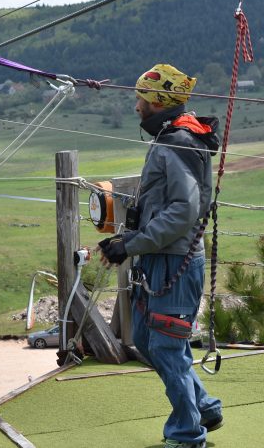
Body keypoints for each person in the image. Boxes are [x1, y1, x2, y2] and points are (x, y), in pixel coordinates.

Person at [97, 64, 222, 448]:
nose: (137, 107)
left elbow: (184, 211)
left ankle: (187, 434)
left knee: (166, 346)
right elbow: (168, 207)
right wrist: (130, 242)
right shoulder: (172, 138)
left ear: (159, 103)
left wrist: (131, 244)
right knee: (152, 344)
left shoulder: (179, 142)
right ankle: (203, 407)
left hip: (174, 262)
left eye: (142, 100)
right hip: (161, 257)